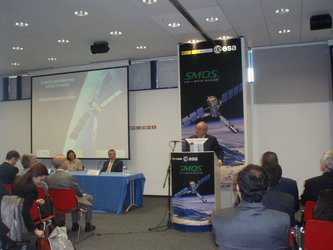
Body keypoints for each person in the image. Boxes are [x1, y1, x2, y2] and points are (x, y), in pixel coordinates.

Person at [212, 164, 290, 250]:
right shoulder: (283, 219)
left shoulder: (218, 217)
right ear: (267, 188)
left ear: (238, 188)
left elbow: (217, 242)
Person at [47, 154, 96, 232]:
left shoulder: (49, 178)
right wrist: (82, 193)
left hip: (57, 204)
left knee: (70, 199)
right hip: (70, 204)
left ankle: (71, 224)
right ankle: (87, 224)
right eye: (65, 161)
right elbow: (78, 193)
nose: (67, 162)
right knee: (89, 198)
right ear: (62, 163)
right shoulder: (69, 176)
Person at [12, 163, 49, 239]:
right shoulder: (33, 190)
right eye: (41, 179)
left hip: (11, 213)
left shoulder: (18, 179)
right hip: (22, 218)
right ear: (34, 176)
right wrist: (35, 230)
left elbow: (20, 199)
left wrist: (34, 201)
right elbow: (24, 211)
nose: (41, 182)